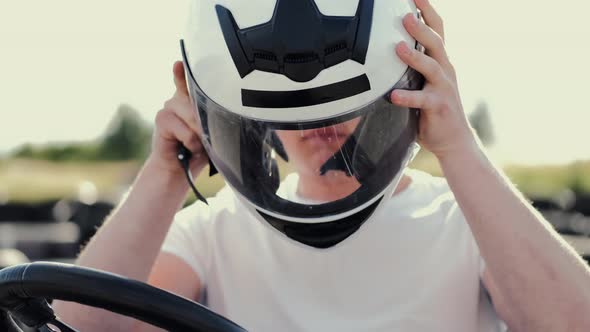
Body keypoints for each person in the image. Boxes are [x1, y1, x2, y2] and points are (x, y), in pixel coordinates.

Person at [54, 0, 590, 331]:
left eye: (342, 108)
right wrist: (165, 174)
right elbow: (72, 326)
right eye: (289, 109)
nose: (317, 126)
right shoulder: (211, 232)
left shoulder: (466, 223)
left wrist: (460, 150)